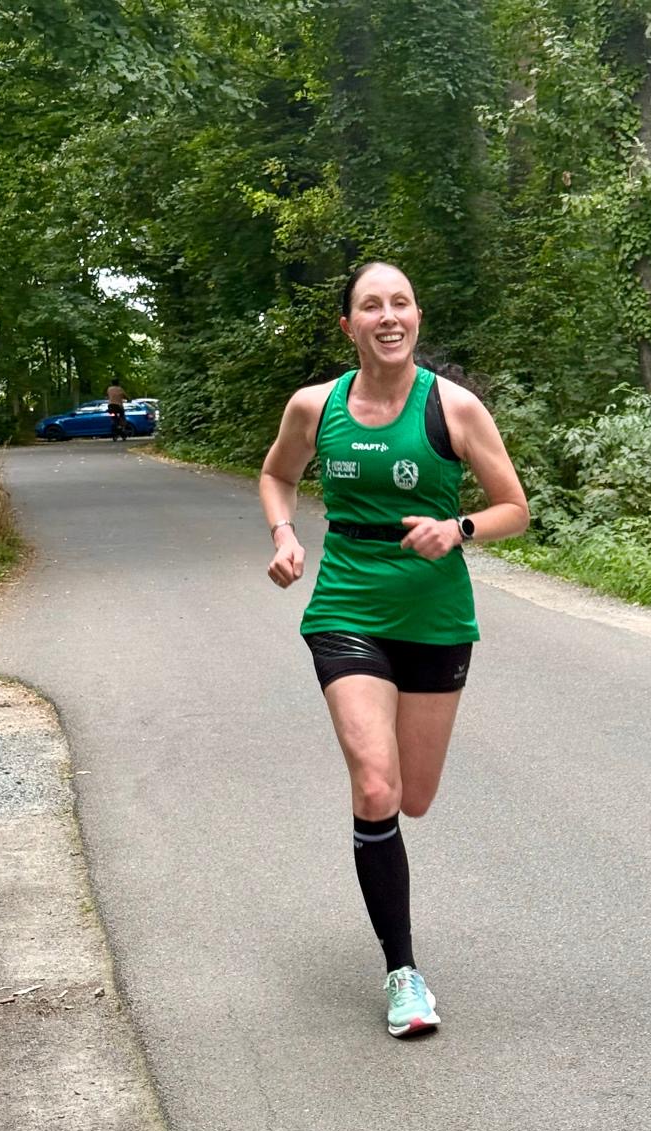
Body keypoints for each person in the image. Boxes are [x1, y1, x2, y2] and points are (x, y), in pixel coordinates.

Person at [259, 261, 529, 1038]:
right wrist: (284, 534)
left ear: (416, 318)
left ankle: (385, 855)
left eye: (401, 303)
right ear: (349, 325)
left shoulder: (455, 408)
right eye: (371, 305)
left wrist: (459, 528)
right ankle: (403, 974)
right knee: (376, 786)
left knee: (414, 797)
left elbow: (515, 507)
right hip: (345, 606)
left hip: (436, 618)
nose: (388, 316)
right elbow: (277, 475)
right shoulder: (316, 406)